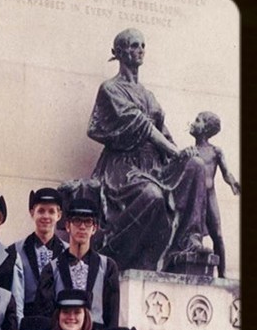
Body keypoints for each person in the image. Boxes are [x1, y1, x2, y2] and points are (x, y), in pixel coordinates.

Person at [87, 28, 210, 273]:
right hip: (124, 168)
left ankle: (189, 241)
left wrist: (181, 154)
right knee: (152, 194)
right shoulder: (110, 88)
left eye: (142, 45)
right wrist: (174, 151)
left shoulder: (148, 95)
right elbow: (140, 124)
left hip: (154, 164)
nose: (140, 50)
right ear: (118, 52)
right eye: (133, 45)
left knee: (196, 165)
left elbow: (161, 130)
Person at [36, 199, 120, 330]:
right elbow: (45, 315)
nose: (82, 227)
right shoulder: (52, 269)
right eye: (77, 221)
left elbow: (112, 316)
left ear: (94, 228)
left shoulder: (108, 267)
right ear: (68, 226)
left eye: (88, 222)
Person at [189, 111, 240, 279]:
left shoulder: (215, 151)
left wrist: (233, 183)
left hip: (210, 197)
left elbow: (226, 172)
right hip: (196, 198)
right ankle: (198, 268)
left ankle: (222, 273)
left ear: (206, 128)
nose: (193, 123)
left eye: (197, 120)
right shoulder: (190, 152)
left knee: (217, 235)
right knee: (195, 234)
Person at [9, 187, 69, 315]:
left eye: (51, 211)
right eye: (41, 211)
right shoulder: (15, 250)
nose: (46, 216)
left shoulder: (68, 252)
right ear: (32, 213)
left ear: (59, 215)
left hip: (58, 319)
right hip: (27, 319)